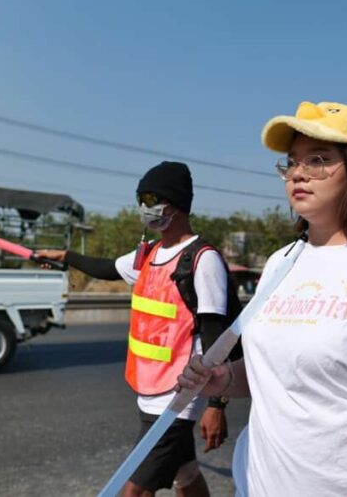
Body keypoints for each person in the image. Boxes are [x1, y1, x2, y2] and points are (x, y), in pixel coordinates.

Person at [178, 101, 347, 496]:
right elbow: (279, 374)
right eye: (291, 163)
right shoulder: (280, 264)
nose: (298, 174)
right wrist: (224, 379)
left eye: (318, 159)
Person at [38, 161, 234, 497]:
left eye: (149, 198)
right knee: (184, 474)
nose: (143, 208)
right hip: (149, 385)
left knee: (132, 490)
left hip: (180, 395)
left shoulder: (202, 260)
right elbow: (106, 268)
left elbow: (219, 339)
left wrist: (216, 405)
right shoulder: (150, 254)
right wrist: (66, 256)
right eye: (140, 199)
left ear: (172, 203)